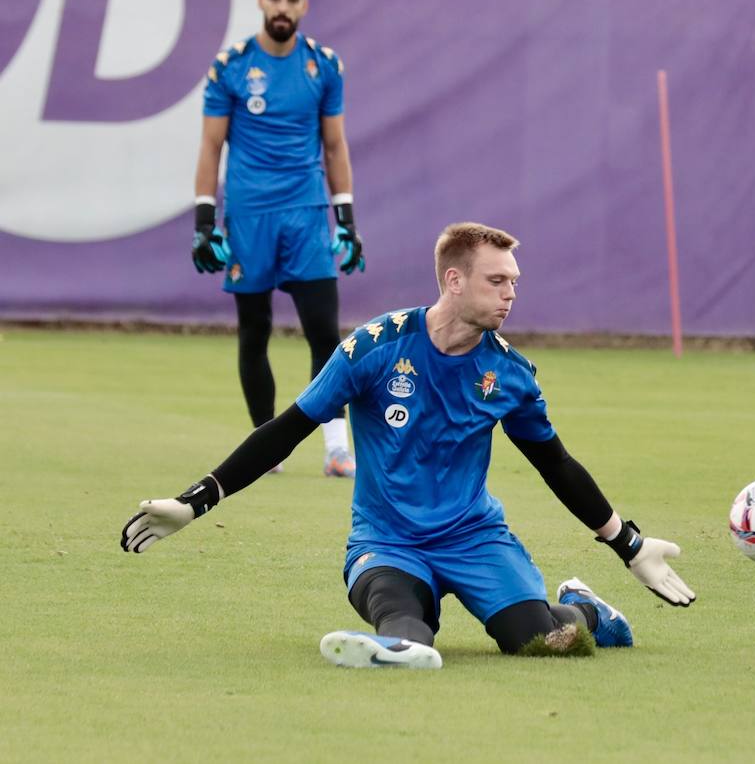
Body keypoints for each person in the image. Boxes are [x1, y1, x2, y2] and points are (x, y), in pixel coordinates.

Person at [123, 222, 695, 667]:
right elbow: (289, 428)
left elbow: (556, 464)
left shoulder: (511, 375)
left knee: (545, 641)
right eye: (497, 281)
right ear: (453, 280)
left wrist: (629, 544)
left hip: (474, 538)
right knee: (402, 619)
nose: (510, 294)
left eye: (514, 282)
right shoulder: (374, 347)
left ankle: (586, 610)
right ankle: (397, 649)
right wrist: (195, 500)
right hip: (388, 540)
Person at [190, 0, 364, 478]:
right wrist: (204, 220)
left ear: (303, 6)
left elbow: (335, 145)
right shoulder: (232, 66)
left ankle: (337, 448)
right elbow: (210, 144)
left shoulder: (324, 65)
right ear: (262, 1)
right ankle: (267, 448)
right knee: (254, 330)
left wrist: (347, 219)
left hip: (307, 214)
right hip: (248, 216)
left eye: (293, 0)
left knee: (324, 334)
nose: (283, 7)